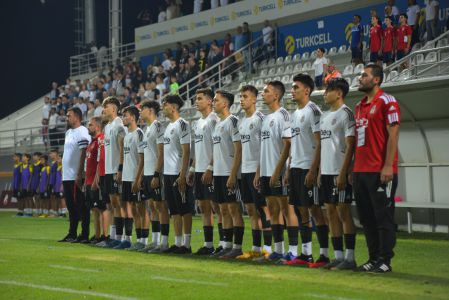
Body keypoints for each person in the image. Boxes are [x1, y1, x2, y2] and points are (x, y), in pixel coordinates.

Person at [354, 64, 400, 273]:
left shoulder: (387, 101)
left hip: (380, 171)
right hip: (360, 171)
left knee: (383, 217)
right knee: (366, 218)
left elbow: (393, 135)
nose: (360, 78)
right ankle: (373, 258)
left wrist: (388, 165)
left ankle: (385, 261)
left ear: (377, 80)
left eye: (364, 75)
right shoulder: (359, 106)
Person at [287, 74, 329, 268]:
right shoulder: (295, 114)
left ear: (307, 90)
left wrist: (314, 169)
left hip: (308, 168)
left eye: (296, 87)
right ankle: (306, 254)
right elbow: (294, 144)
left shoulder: (313, 110)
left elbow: (320, 142)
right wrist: (289, 167)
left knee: (315, 210)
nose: (292, 90)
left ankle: (324, 255)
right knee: (301, 209)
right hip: (296, 167)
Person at [255, 81, 296, 262]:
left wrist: (278, 171)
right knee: (272, 209)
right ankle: (278, 251)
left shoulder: (283, 115)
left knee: (287, 209)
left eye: (266, 91)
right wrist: (259, 172)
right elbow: (263, 148)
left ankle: (293, 252)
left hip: (278, 172)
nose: (263, 94)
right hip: (266, 172)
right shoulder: (265, 118)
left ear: (276, 95)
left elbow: (288, 145)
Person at [319, 78, 357, 270]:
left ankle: (350, 258)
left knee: (343, 211)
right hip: (325, 172)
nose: (325, 93)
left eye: (329, 90)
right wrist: (319, 172)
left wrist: (344, 172)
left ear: (339, 93)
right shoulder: (324, 116)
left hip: (338, 172)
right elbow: (322, 146)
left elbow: (351, 145)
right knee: (330, 213)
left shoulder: (346, 114)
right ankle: (339, 256)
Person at [236, 85, 273, 260]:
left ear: (254, 99)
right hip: (245, 171)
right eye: (240, 96)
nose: (241, 99)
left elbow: (264, 148)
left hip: (258, 171)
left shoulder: (261, 119)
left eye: (245, 96)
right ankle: (256, 248)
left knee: (263, 210)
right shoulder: (242, 121)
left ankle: (267, 249)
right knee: (251, 210)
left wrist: (259, 171)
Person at [209, 90, 243, 259]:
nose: (213, 103)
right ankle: (226, 245)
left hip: (229, 172)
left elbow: (239, 149)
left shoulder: (233, 121)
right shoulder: (217, 124)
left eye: (216, 100)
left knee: (233, 209)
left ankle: (237, 247)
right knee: (222, 209)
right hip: (218, 173)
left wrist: (233, 174)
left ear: (225, 104)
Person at [187, 89, 221, 255]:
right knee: (204, 208)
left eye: (199, 98)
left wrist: (211, 168)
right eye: (196, 98)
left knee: (218, 207)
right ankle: (208, 245)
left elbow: (217, 146)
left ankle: (223, 244)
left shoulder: (214, 120)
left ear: (209, 102)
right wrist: (193, 169)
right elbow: (196, 149)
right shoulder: (197, 122)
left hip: (211, 170)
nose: (196, 101)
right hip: (199, 170)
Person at [162, 95, 192, 254]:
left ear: (173, 107)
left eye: (165, 104)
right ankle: (178, 242)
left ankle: (186, 245)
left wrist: (182, 174)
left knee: (184, 209)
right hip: (167, 173)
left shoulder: (183, 124)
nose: (163, 107)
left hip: (177, 173)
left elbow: (187, 151)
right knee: (174, 210)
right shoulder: (168, 126)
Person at [139, 101, 170, 253]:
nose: (140, 112)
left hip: (156, 173)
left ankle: (164, 242)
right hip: (147, 173)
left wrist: (157, 174)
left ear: (150, 110)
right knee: (152, 207)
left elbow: (161, 152)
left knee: (161, 206)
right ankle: (156, 240)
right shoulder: (146, 129)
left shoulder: (158, 127)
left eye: (143, 109)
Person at [58, 107, 91, 243]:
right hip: (67, 176)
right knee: (71, 207)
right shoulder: (68, 132)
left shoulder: (82, 131)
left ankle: (84, 234)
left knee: (81, 206)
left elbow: (85, 152)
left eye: (69, 115)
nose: (67, 118)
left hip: (76, 176)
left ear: (77, 117)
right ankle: (72, 233)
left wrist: (80, 173)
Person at [101, 97, 127, 248]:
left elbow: (123, 148)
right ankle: (113, 236)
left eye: (106, 107)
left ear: (114, 109)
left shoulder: (119, 125)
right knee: (112, 204)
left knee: (120, 204)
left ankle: (121, 236)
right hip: (108, 171)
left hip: (117, 170)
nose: (104, 109)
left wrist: (120, 169)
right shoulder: (107, 127)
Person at [119, 106, 145, 250]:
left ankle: (144, 240)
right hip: (127, 178)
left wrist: (138, 179)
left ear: (133, 118)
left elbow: (142, 158)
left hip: (136, 178)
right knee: (133, 209)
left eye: (125, 115)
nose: (123, 118)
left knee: (141, 208)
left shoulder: (139, 133)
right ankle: (137, 238)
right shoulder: (127, 136)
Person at [85, 117, 106, 244]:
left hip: (95, 181)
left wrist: (96, 180)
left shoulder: (100, 140)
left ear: (97, 127)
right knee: (94, 210)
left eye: (90, 125)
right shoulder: (92, 142)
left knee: (100, 209)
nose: (88, 127)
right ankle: (96, 235)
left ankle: (102, 236)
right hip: (88, 181)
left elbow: (100, 161)